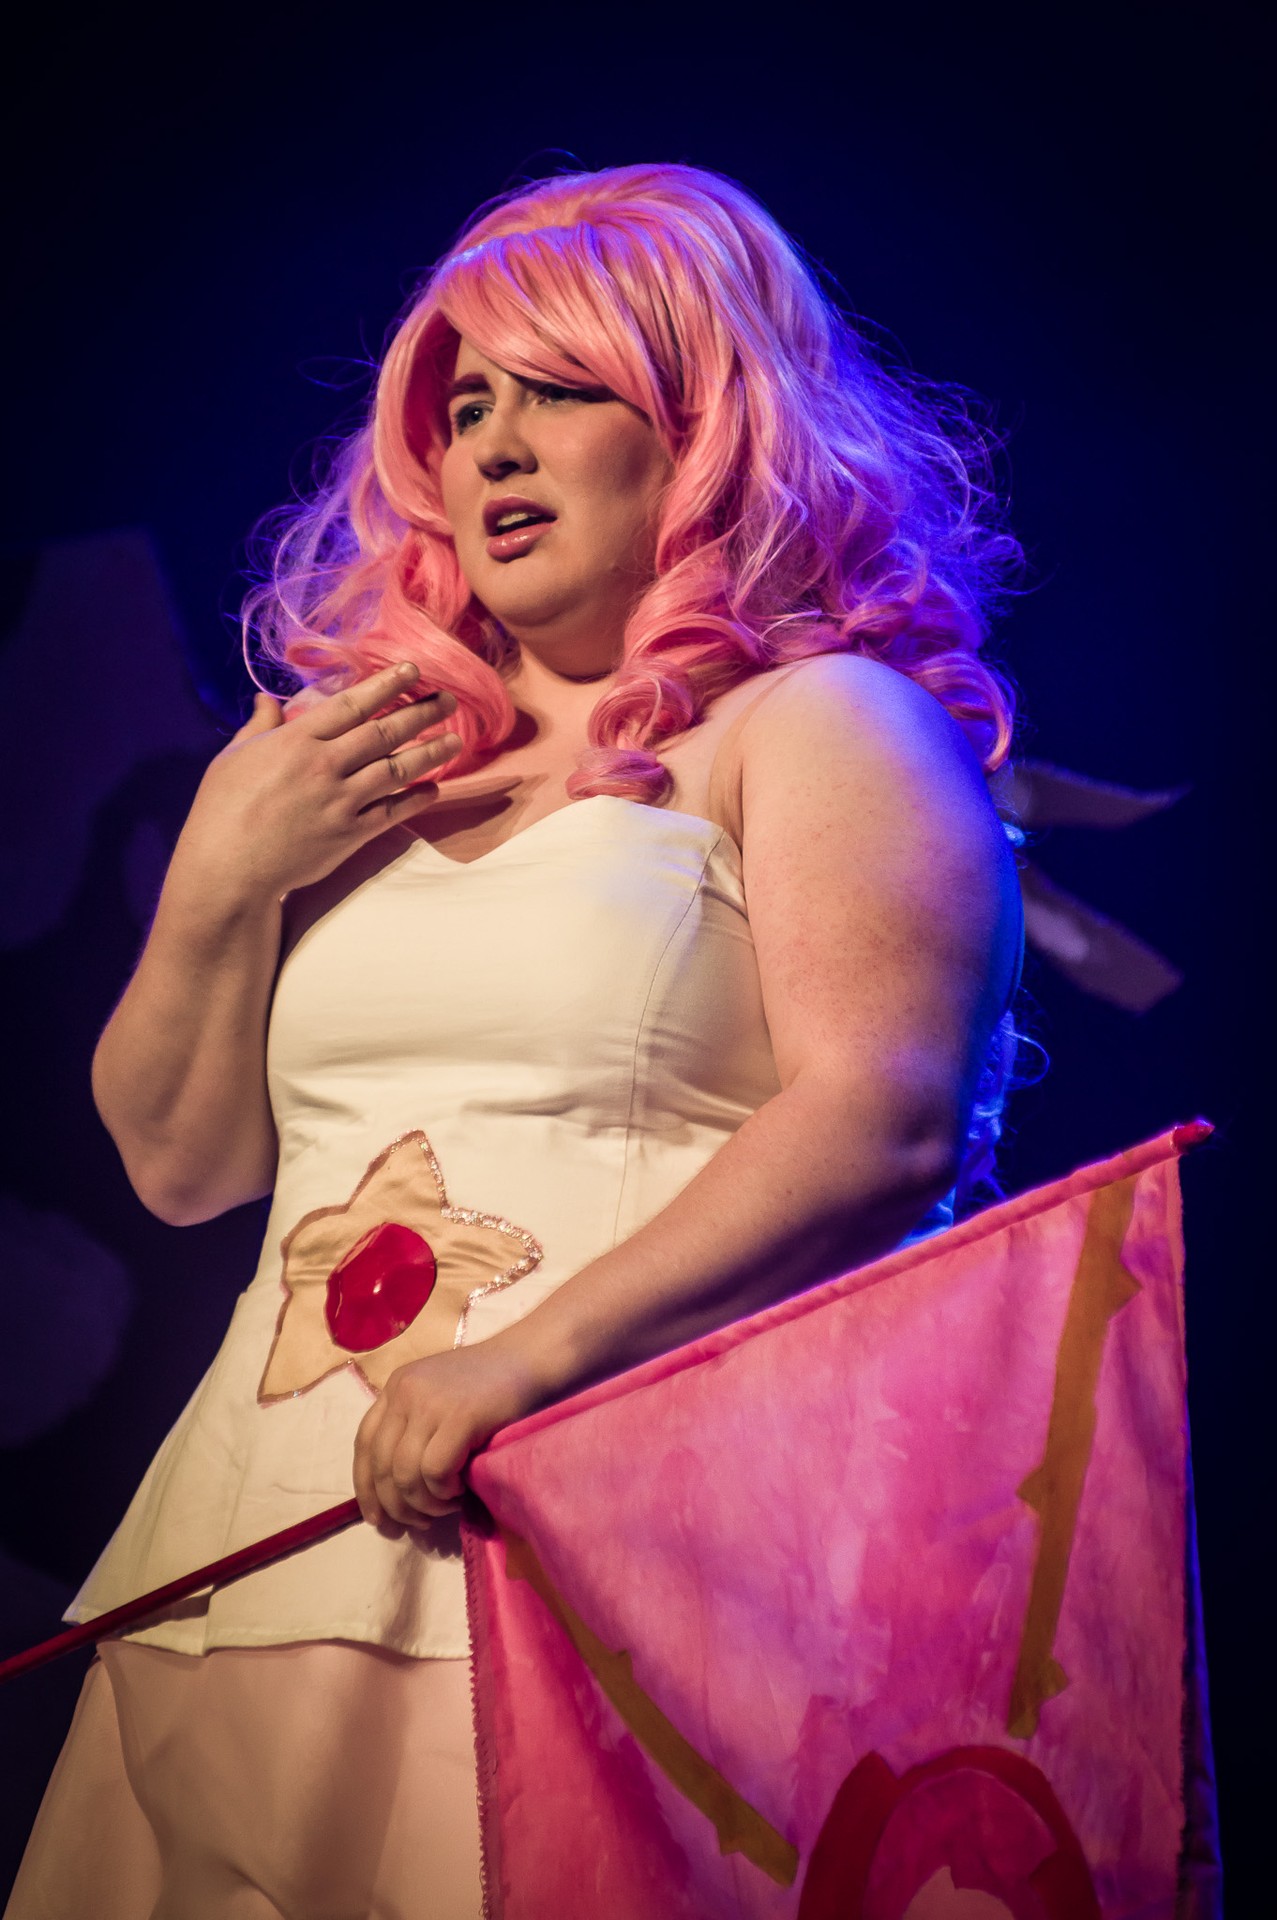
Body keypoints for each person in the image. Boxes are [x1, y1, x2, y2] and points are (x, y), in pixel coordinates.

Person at [8, 162, 1023, 1918]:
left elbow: (882, 1117)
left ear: (700, 427)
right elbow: (180, 1169)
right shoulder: (361, 770)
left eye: (555, 389)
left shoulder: (815, 727)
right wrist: (222, 880)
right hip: (251, 1551)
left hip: (601, 1531)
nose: (492, 443)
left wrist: (522, 1361)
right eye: (465, 403)